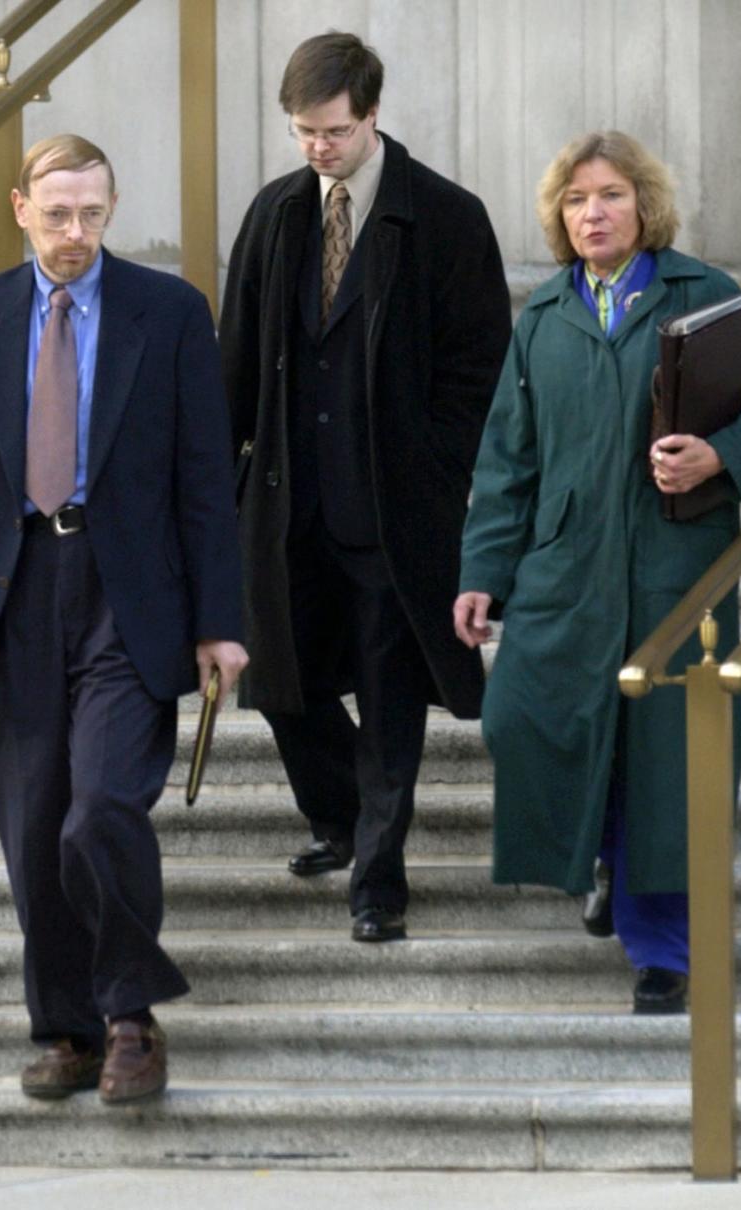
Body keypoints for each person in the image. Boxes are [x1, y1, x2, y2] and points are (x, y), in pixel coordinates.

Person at [0, 134, 248, 1101]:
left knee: (99, 810)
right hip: (13, 591)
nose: (75, 233)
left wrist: (220, 620)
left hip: (127, 591)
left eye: (92, 213)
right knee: (34, 824)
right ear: (20, 208)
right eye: (56, 213)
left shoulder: (170, 312)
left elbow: (204, 484)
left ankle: (132, 1016)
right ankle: (67, 1030)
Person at [454, 130, 741, 1013]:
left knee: (669, 759)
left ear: (645, 206)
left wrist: (722, 457)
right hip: (564, 571)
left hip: (678, 569)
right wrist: (484, 569)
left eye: (610, 195)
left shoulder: (705, 296)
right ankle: (603, 856)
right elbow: (506, 459)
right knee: (524, 717)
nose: (592, 212)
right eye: (575, 199)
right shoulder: (546, 313)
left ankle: (663, 951)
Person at [220, 33, 510, 943]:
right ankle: (341, 818)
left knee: (389, 699)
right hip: (287, 504)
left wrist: (435, 465)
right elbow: (236, 359)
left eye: (334, 130)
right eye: (303, 131)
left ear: (373, 113)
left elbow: (481, 366)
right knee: (278, 681)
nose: (317, 147)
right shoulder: (274, 215)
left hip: (394, 511)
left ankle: (378, 877)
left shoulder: (447, 218)